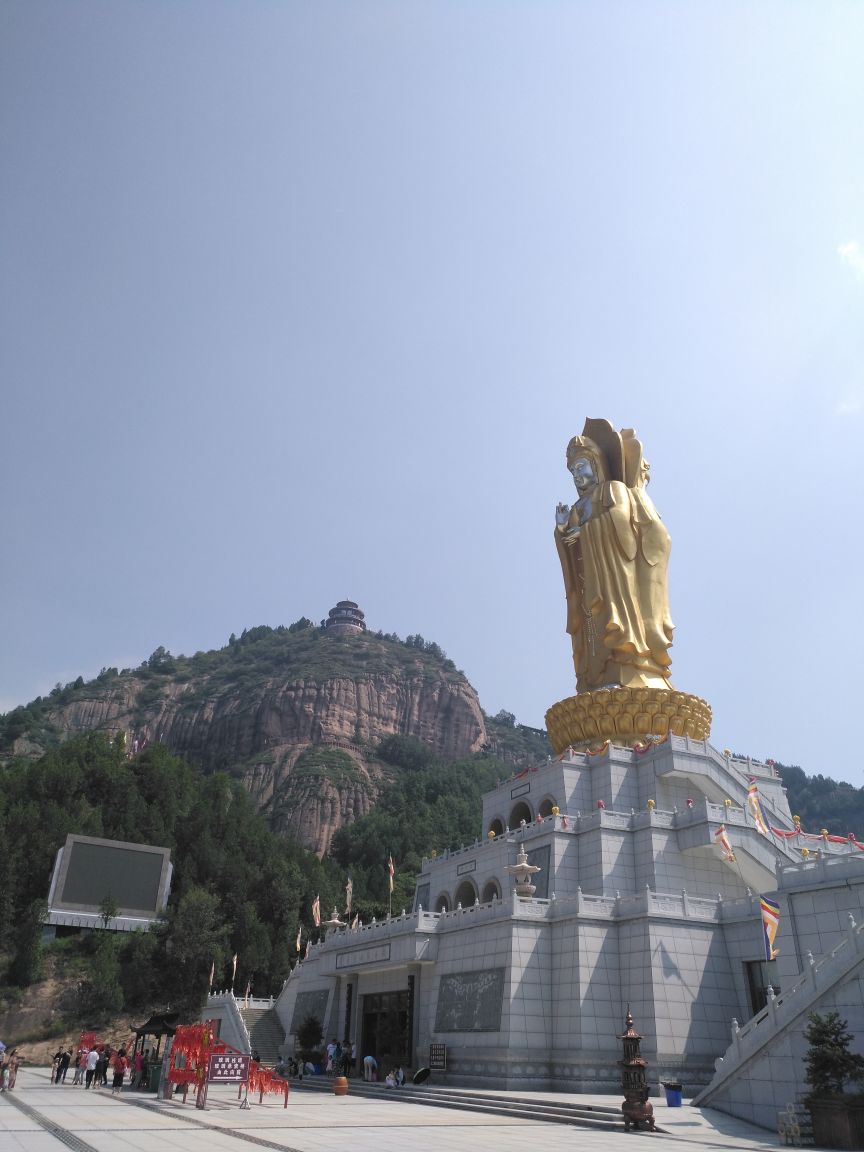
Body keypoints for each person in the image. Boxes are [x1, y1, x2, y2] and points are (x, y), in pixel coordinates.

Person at [555, 420, 673, 694]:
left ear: (596, 465)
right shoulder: (577, 507)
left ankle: (631, 666)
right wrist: (563, 531)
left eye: (581, 467)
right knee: (592, 631)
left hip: (613, 580)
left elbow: (620, 521)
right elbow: (570, 543)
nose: (577, 475)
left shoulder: (612, 490)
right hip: (589, 582)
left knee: (615, 622)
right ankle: (596, 676)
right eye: (573, 471)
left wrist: (583, 533)